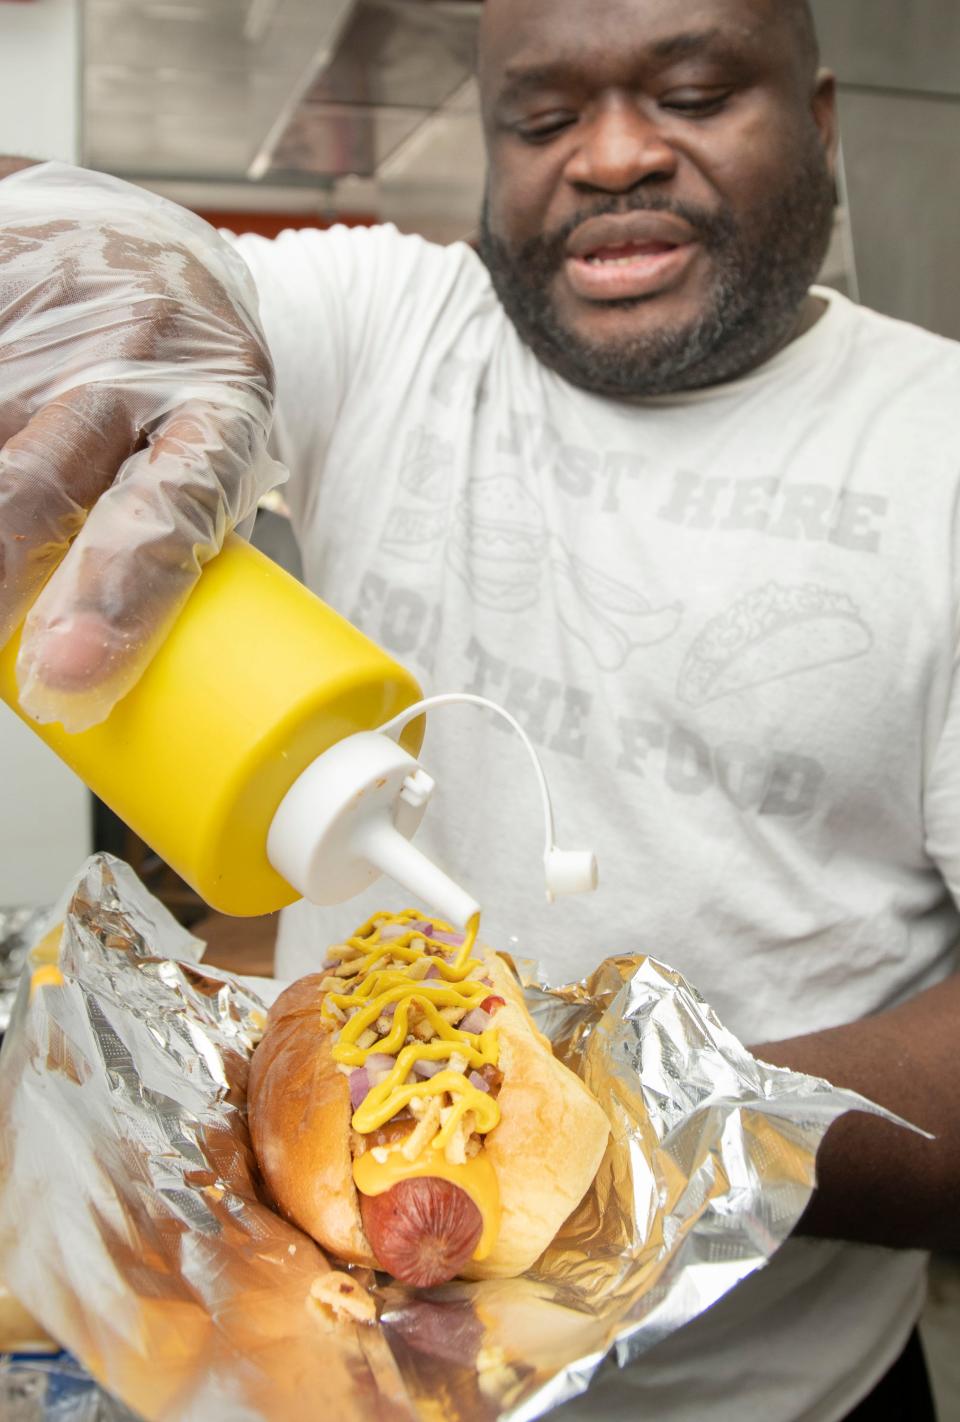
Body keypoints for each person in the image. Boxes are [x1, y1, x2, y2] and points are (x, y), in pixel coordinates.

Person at [1, 0, 958, 1416]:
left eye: (692, 94)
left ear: (817, 120)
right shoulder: (396, 320)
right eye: (544, 118)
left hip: (785, 1389)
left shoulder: (936, 447)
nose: (615, 155)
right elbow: (134, 267)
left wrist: (613, 1147)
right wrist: (71, 254)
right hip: (316, 1369)